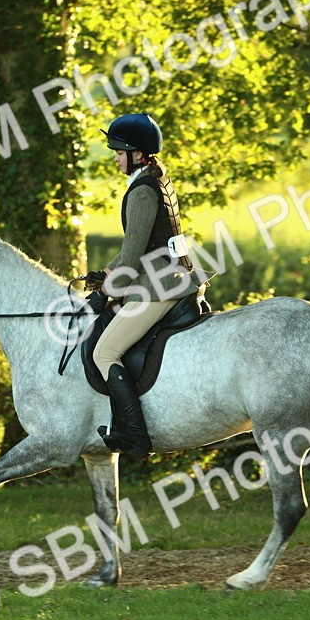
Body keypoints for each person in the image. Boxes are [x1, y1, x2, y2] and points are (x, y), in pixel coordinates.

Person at [85, 113, 203, 460]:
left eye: (120, 152)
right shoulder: (160, 180)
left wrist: (105, 290)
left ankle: (134, 434)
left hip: (158, 288)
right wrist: (107, 273)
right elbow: (165, 241)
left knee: (104, 352)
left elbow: (134, 251)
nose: (115, 158)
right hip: (177, 278)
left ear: (138, 154)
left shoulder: (141, 190)